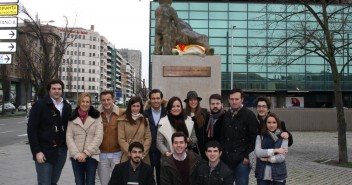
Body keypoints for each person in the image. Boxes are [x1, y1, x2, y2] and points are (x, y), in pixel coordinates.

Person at [27, 79, 72, 185]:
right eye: (54, 89)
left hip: (61, 150)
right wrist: (37, 151)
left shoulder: (66, 106)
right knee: (44, 182)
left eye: (59, 89)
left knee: (53, 182)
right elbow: (31, 130)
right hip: (44, 151)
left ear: (62, 90)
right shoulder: (39, 105)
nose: (57, 91)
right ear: (49, 90)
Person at [221, 88, 258, 185]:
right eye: (232, 99)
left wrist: (247, 157)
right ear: (228, 100)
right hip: (227, 160)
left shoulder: (249, 115)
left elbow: (254, 138)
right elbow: (223, 136)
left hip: (242, 161)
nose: (234, 101)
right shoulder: (226, 115)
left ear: (242, 100)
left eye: (236, 99)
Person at [66, 92, 103, 185]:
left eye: (87, 102)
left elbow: (98, 136)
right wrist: (77, 154)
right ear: (79, 102)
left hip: (91, 155)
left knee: (90, 182)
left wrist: (86, 153)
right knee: (79, 182)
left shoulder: (97, 116)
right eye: (83, 101)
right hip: (76, 156)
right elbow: (69, 137)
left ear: (90, 103)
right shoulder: (72, 117)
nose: (85, 104)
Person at [97, 90, 125, 185]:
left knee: (117, 182)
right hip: (102, 155)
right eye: (103, 100)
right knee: (104, 182)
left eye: (108, 99)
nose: (106, 102)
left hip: (117, 154)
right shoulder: (96, 114)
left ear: (113, 99)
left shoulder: (121, 113)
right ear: (101, 101)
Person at [255, 113, 288, 185]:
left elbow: (281, 157)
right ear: (265, 123)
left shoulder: (284, 137)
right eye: (269, 122)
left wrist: (267, 159)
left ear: (277, 123)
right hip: (262, 173)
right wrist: (276, 150)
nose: (271, 125)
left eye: (274, 122)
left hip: (279, 173)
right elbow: (258, 153)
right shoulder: (260, 136)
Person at [118, 96, 152, 164]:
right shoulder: (122, 120)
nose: (135, 108)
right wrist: (131, 152)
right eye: (133, 106)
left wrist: (142, 153)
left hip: (143, 155)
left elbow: (148, 138)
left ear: (141, 107)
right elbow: (121, 139)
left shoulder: (145, 120)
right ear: (130, 107)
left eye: (138, 106)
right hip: (128, 154)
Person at [144, 89, 167, 185]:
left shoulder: (167, 113)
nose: (156, 101)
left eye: (158, 98)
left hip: (163, 151)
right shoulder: (144, 113)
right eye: (153, 98)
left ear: (162, 99)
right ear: (150, 100)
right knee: (147, 180)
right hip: (148, 151)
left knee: (162, 179)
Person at [183, 91, 208, 158]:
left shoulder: (204, 113)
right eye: (190, 100)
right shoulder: (183, 114)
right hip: (188, 147)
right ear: (187, 102)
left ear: (198, 101)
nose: (193, 102)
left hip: (202, 147)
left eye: (195, 100)